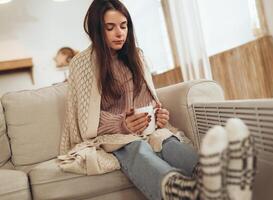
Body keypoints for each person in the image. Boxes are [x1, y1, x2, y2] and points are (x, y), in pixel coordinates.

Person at [58, 1, 256, 200]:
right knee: (136, 147)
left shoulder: (136, 57)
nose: (120, 33)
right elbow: (85, 123)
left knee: (167, 140)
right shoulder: (82, 64)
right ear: (96, 30)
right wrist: (121, 124)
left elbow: (148, 101)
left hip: (146, 131)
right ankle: (185, 191)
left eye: (124, 26)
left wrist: (158, 115)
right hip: (112, 137)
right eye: (110, 28)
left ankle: (217, 178)